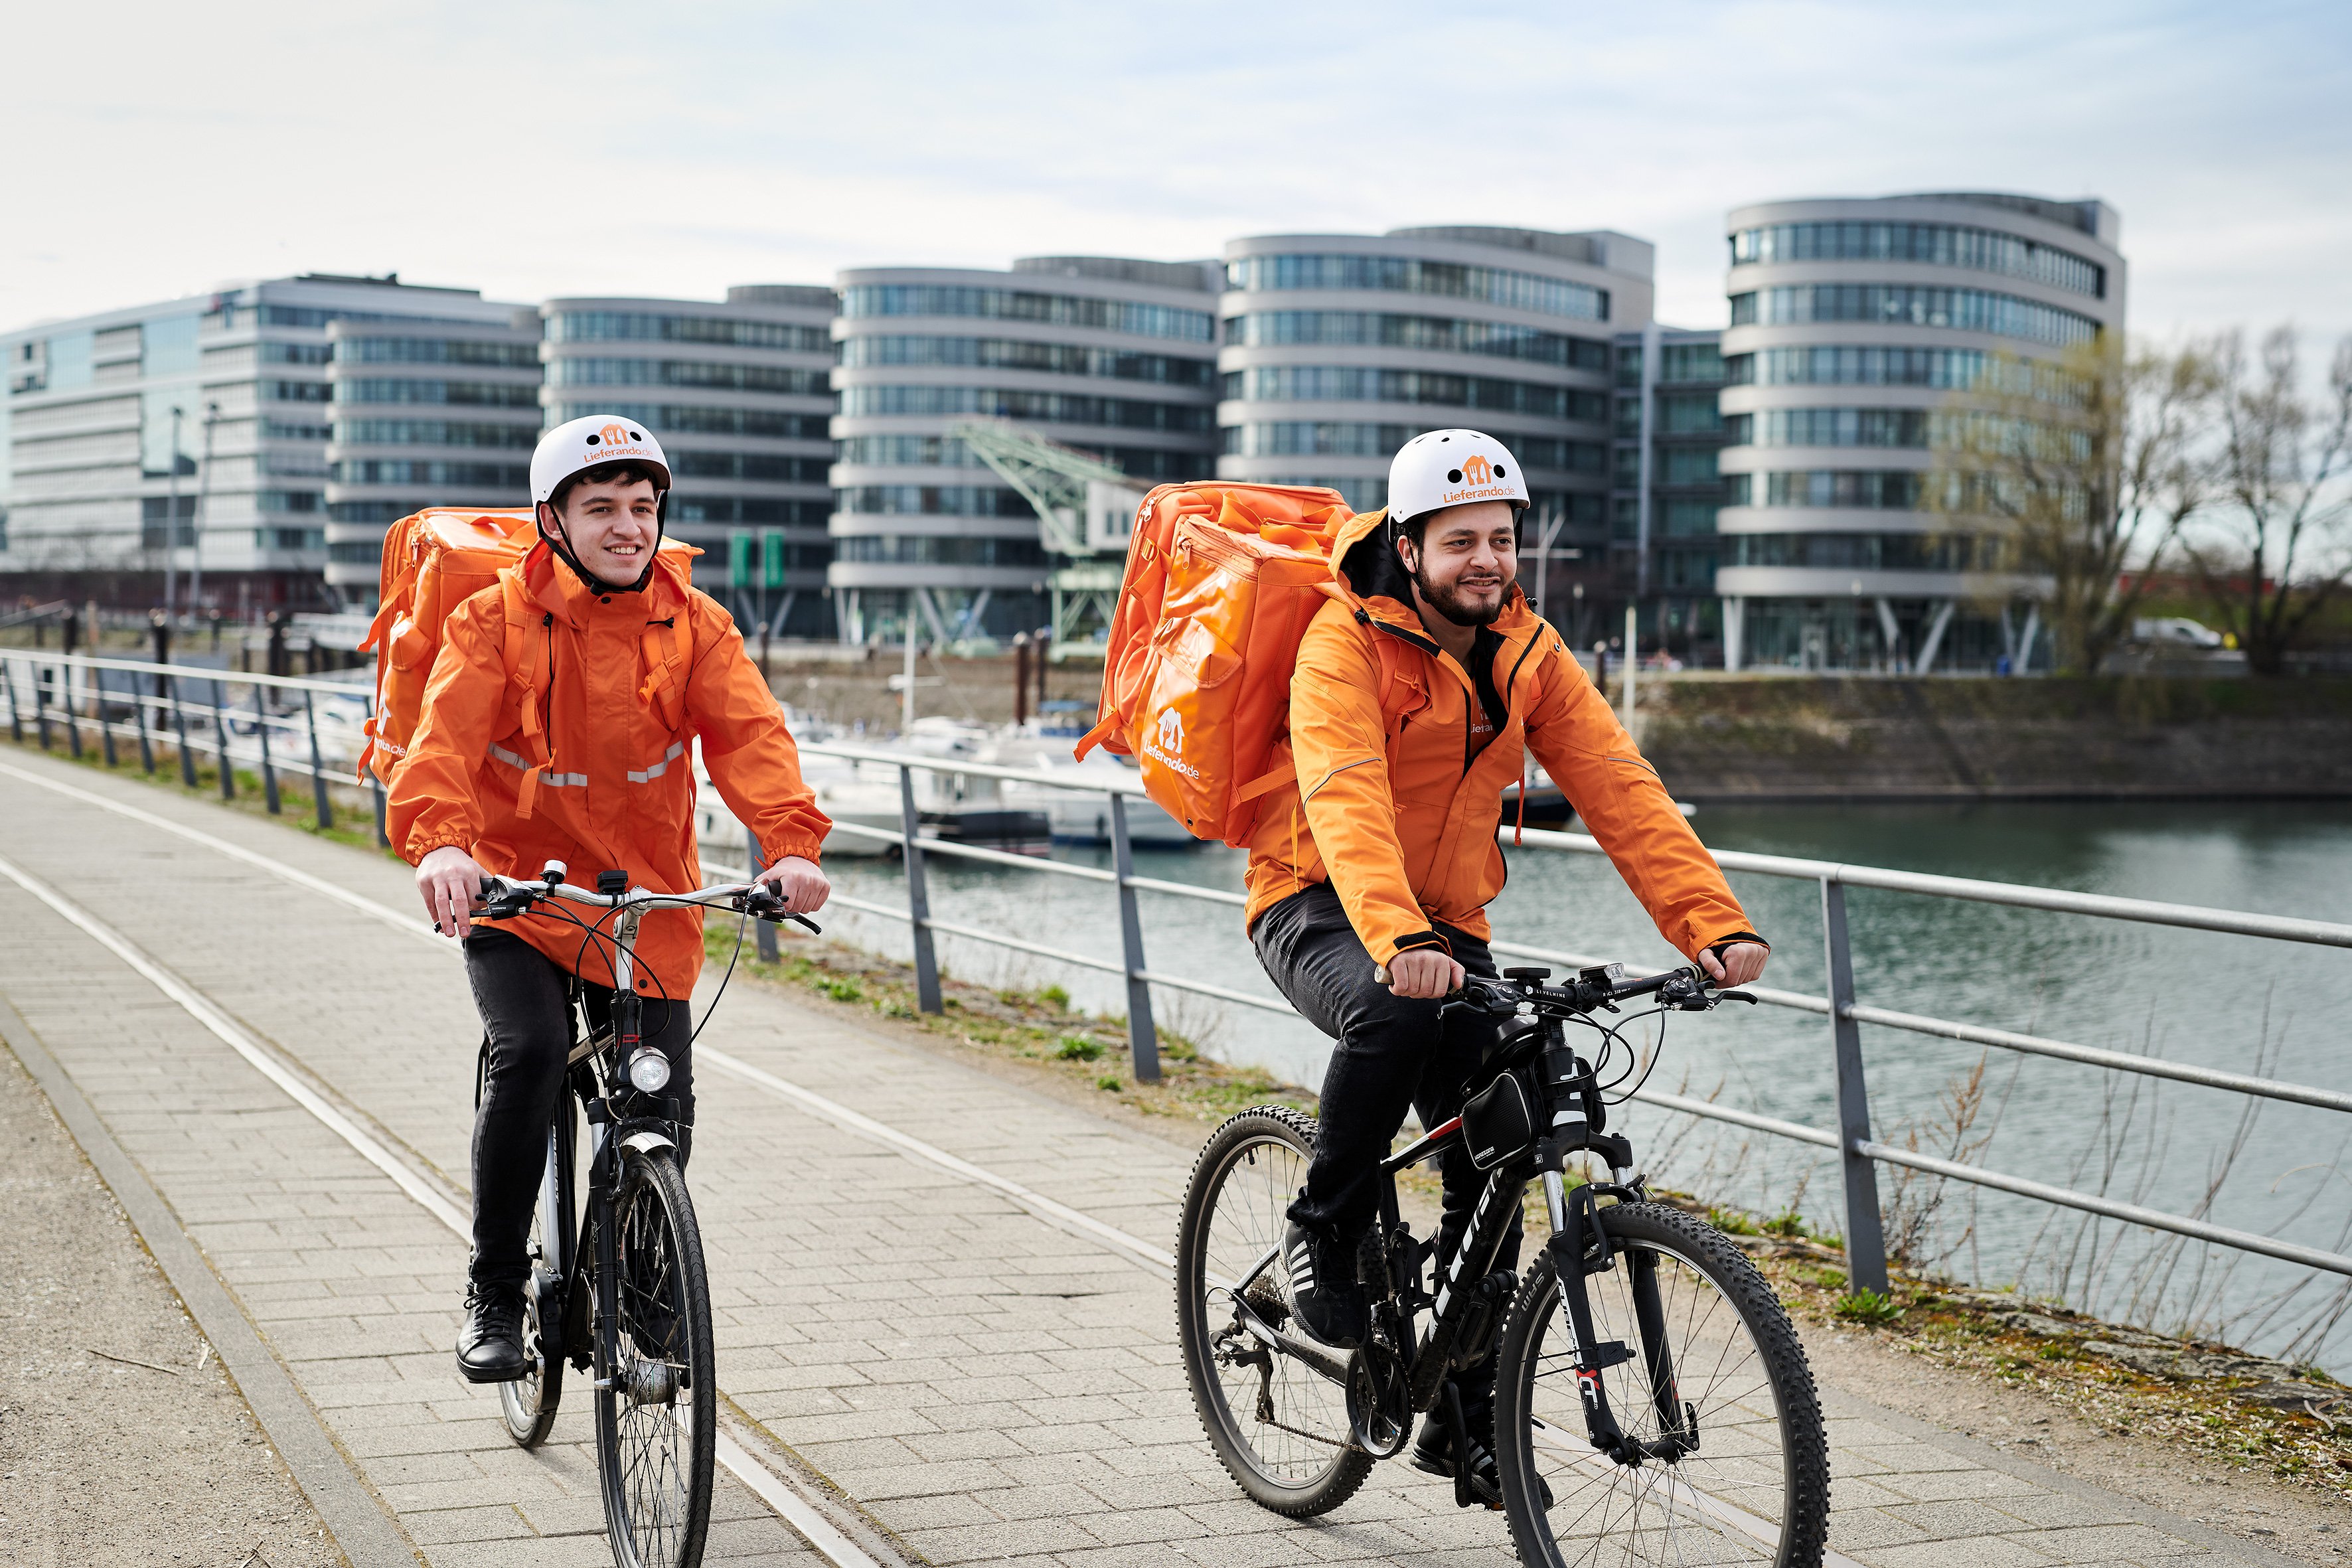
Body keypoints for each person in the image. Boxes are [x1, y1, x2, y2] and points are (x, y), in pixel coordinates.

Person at [1245, 429, 1768, 1504]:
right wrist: (1397, 939)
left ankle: (1457, 1408)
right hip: (1317, 897)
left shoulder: (1532, 652)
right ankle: (1324, 1227)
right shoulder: (1341, 645)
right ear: (1410, 544)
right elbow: (1342, 793)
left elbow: (1619, 784)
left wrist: (1708, 923)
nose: (1488, 560)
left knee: (1504, 1132)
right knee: (1393, 1019)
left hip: (1446, 919)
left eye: (1503, 538)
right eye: (1462, 541)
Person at [388, 414, 832, 1383]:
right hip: (518, 891)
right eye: (602, 508)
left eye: (642, 507)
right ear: (553, 520)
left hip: (648, 903)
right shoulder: (492, 621)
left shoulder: (697, 626)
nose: (628, 526)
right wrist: (443, 847)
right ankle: (495, 1287)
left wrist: (791, 846)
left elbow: (753, 741)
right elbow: (446, 746)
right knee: (535, 1051)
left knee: (657, 1108)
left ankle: (643, 1290)